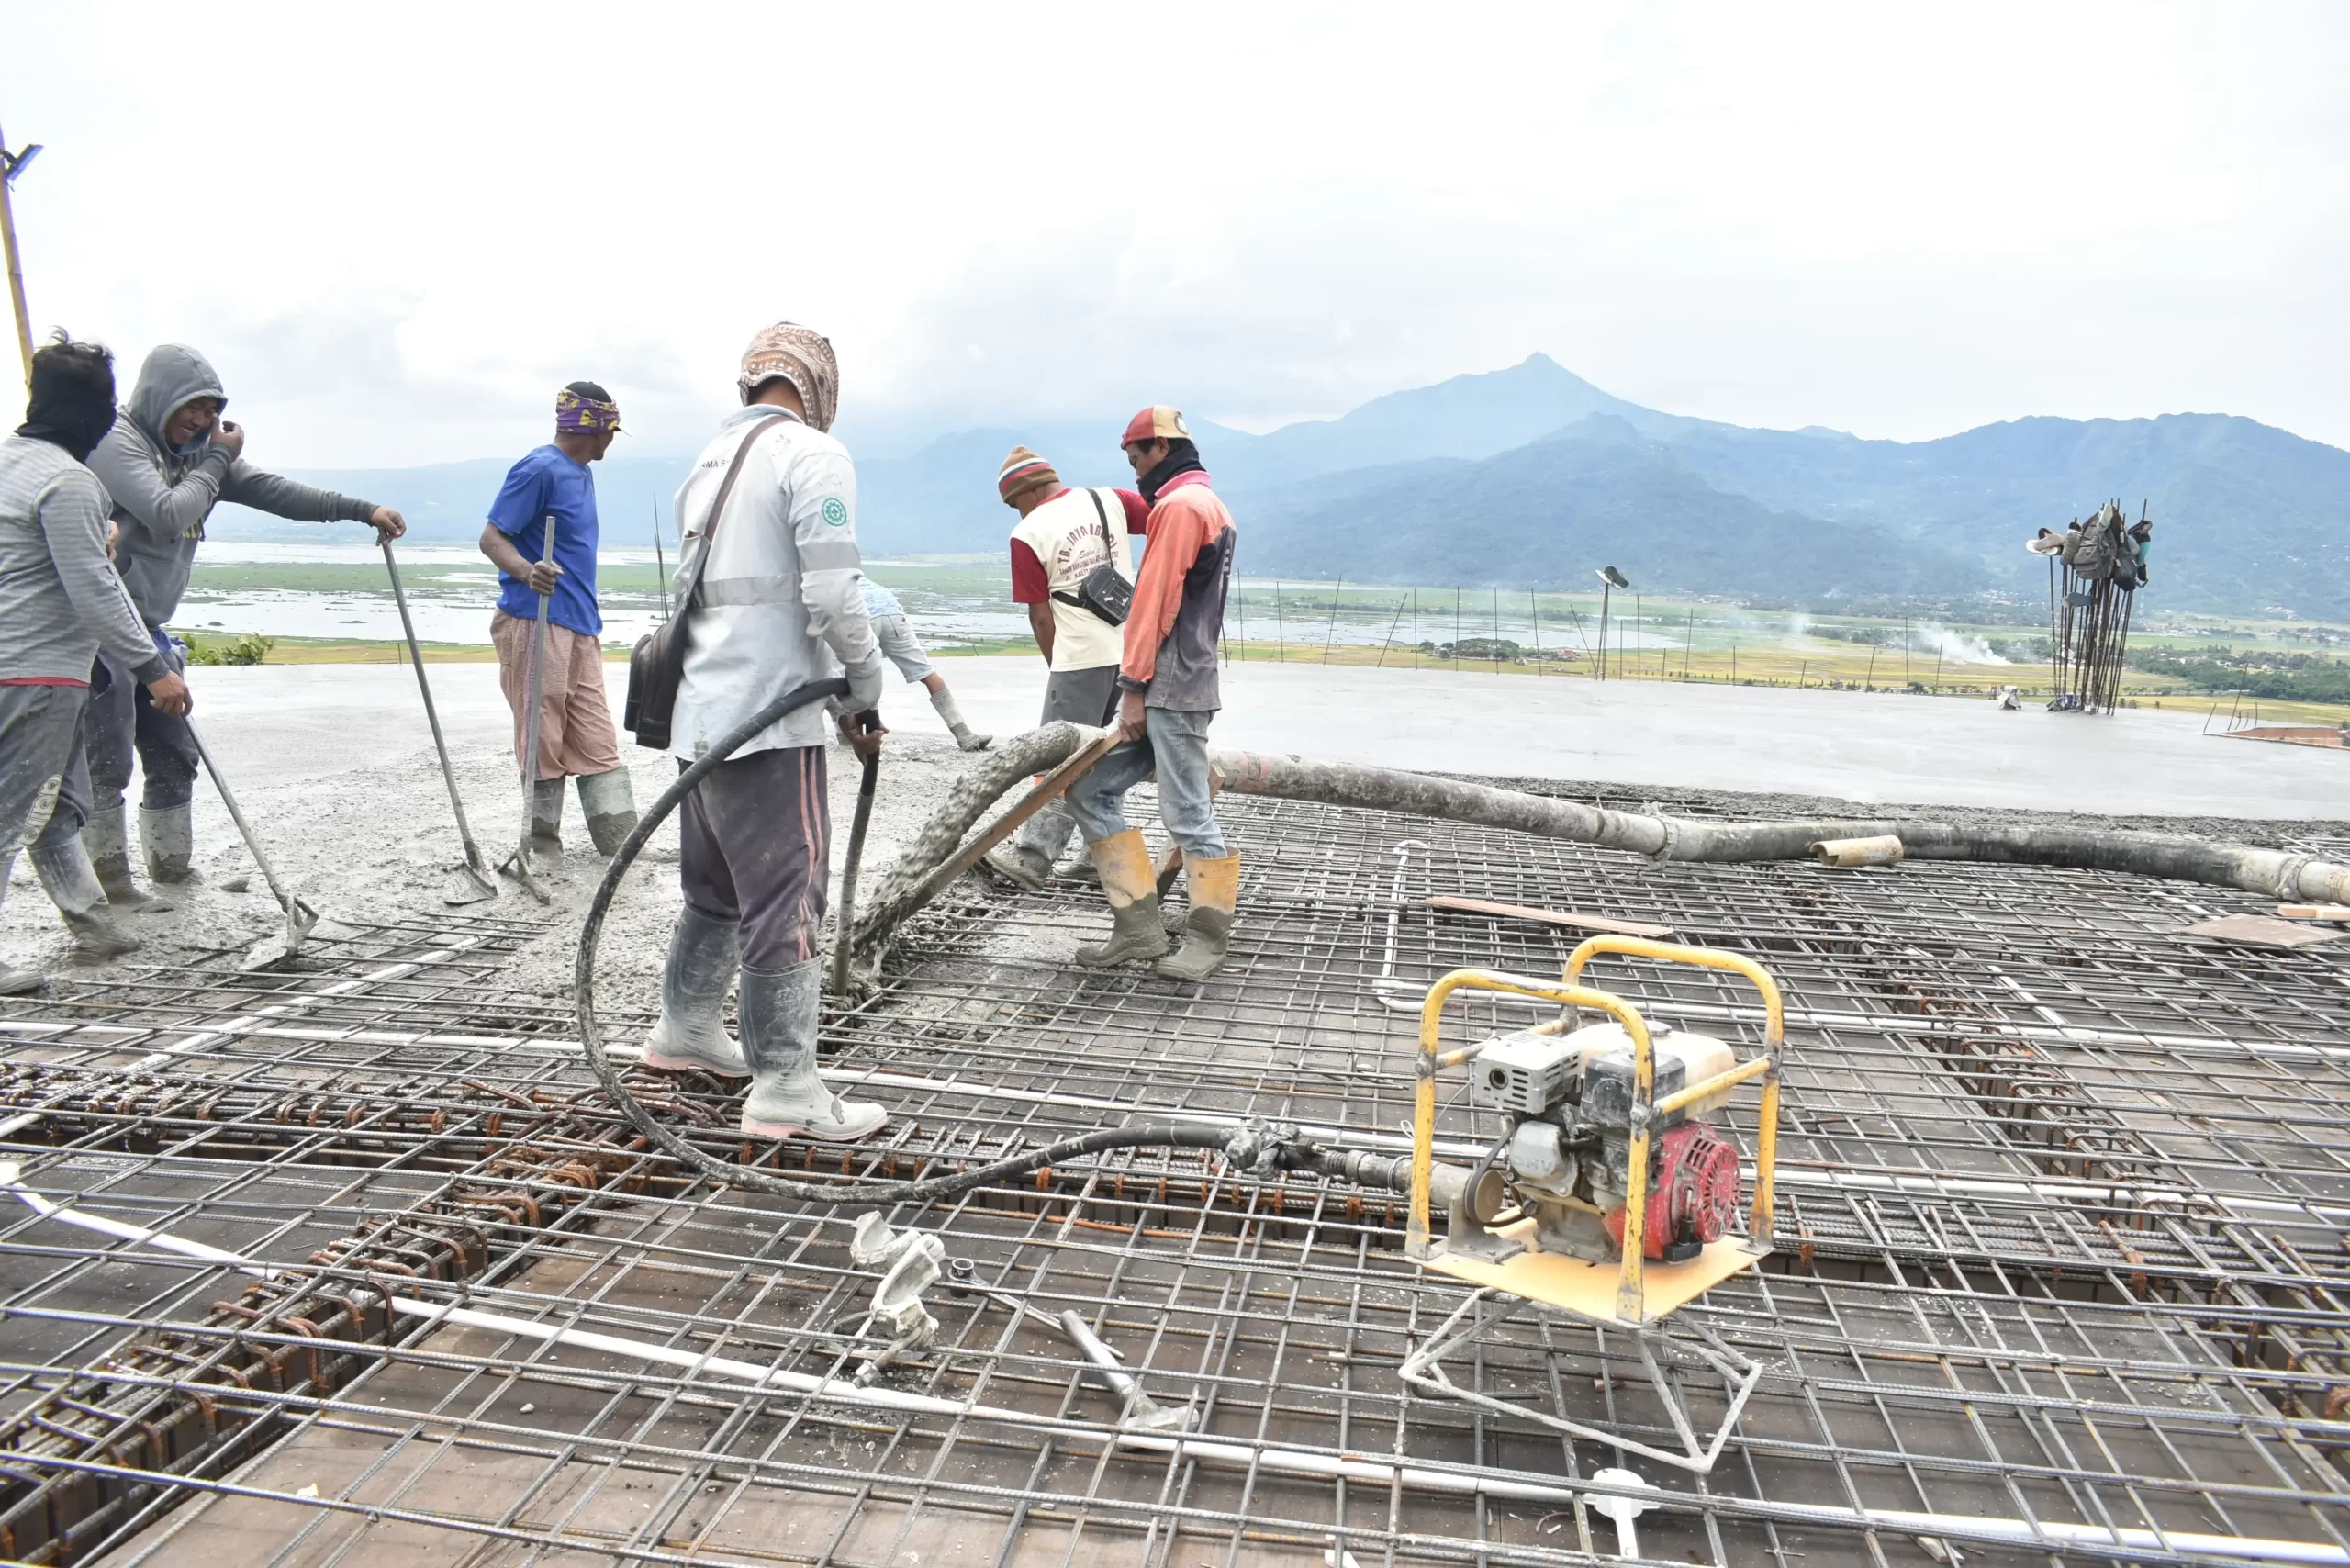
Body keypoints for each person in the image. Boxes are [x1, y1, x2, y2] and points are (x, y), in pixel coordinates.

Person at [643, 320, 890, 1144]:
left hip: (701, 715)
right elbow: (834, 593)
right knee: (788, 894)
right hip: (770, 715)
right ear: (820, 385)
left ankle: (685, 1029)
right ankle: (785, 1085)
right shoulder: (814, 454)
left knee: (715, 886)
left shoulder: (711, 460)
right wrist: (863, 684)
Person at [84, 344, 403, 902]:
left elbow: (274, 491)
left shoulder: (200, 456)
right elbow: (166, 514)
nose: (201, 419)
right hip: (103, 627)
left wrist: (360, 509)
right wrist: (217, 460)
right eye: (192, 406)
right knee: (107, 761)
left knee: (174, 751)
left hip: (150, 626)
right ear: (160, 397)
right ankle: (109, 881)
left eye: (211, 410)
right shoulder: (117, 443)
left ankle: (171, 869)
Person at [1, 336, 196, 988]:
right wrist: (153, 669)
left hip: (23, 665)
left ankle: (92, 923)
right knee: (10, 809)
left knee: (58, 806)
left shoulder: (12, 465)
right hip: (37, 670)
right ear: (92, 413)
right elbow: (93, 588)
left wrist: (97, 536)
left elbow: (54, 559)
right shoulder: (69, 480)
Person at [1063, 408, 1239, 982]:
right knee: (1089, 789)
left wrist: (1132, 687)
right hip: (1180, 682)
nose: (1134, 467)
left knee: (1187, 812)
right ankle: (1139, 928)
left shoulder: (1180, 508)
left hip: (1172, 686)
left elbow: (1154, 602)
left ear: (1160, 448)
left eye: (1135, 455)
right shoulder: (1208, 504)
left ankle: (1208, 939)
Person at [478, 382, 639, 867]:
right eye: (610, 431)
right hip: (536, 618)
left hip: (580, 623)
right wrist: (528, 571)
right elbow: (492, 538)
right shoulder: (539, 469)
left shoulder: (582, 473)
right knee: (541, 732)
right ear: (594, 429)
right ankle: (542, 846)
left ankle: (621, 844)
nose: (612, 441)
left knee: (596, 733)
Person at [980, 443, 1146, 890]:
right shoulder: (1110, 499)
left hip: (1079, 659)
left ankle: (1033, 859)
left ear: (1028, 492)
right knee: (1103, 756)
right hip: (1129, 651)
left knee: (1059, 758)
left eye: (1014, 504)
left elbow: (1040, 616)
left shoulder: (1028, 532)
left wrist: (1059, 667)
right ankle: (1099, 855)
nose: (1017, 512)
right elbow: (1160, 520)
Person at [857, 575, 990, 750]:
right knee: (926, 671)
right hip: (892, 612)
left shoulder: (828, 582)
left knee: (853, 674)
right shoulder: (860, 578)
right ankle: (965, 735)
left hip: (864, 616)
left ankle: (850, 737)